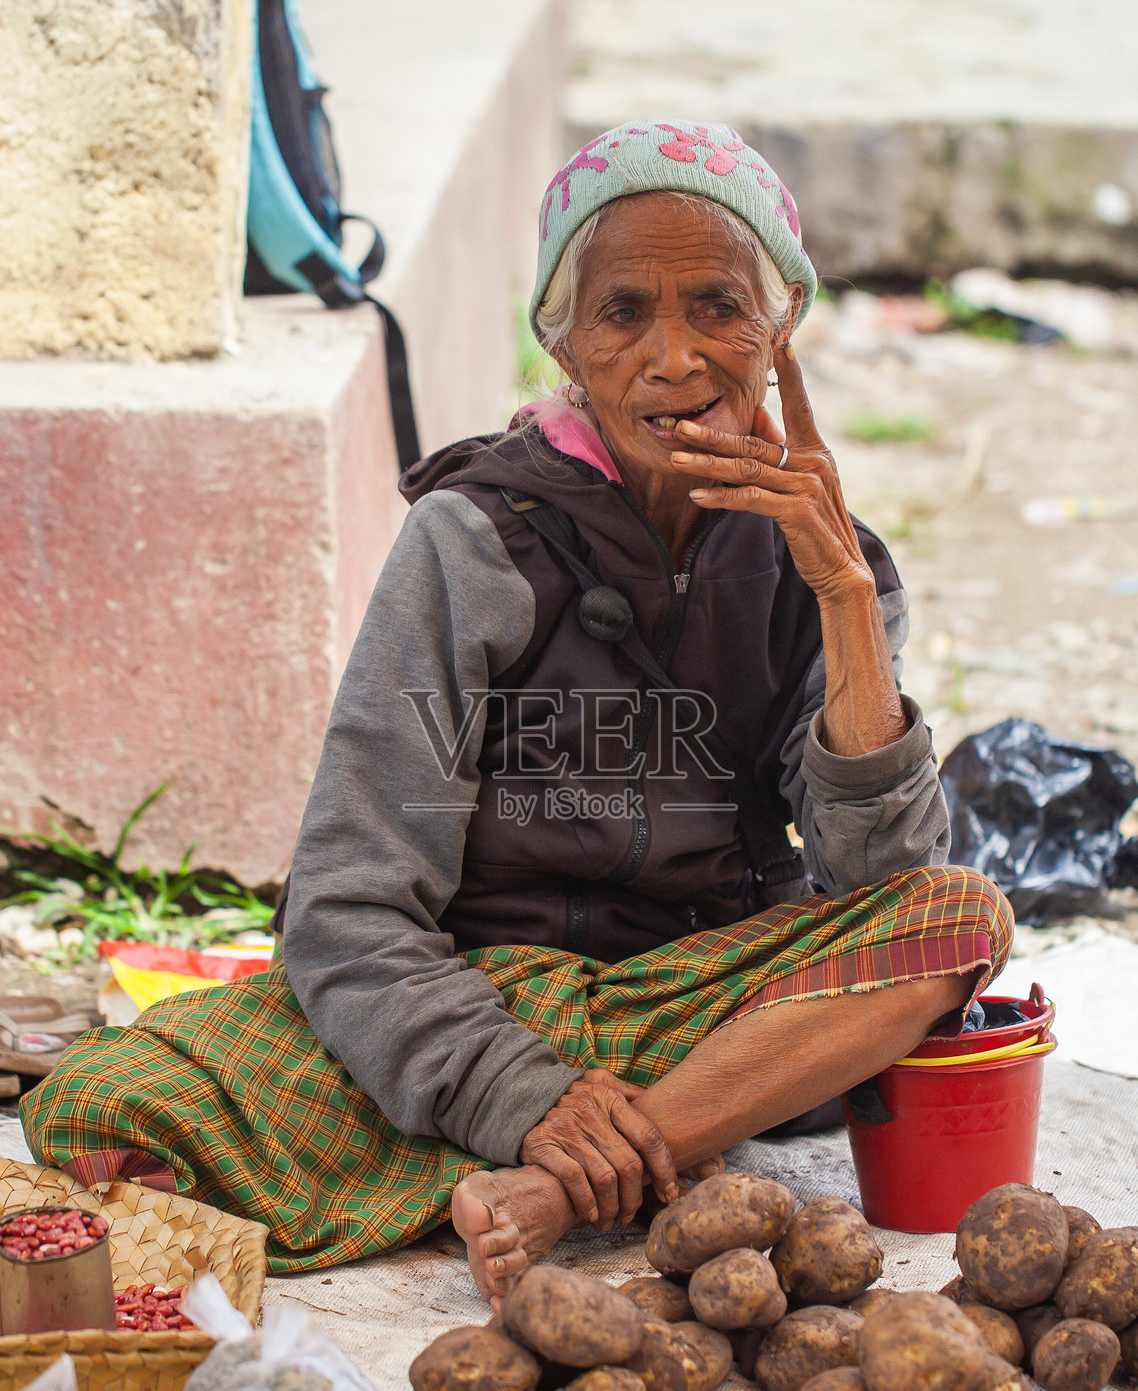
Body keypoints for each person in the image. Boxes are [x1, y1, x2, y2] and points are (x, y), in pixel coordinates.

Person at [22, 122, 1011, 1301]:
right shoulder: (473, 538)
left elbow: (883, 889)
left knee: (956, 915)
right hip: (478, 992)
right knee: (94, 1104)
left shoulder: (828, 563)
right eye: (623, 312)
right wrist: (519, 1089)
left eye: (717, 308)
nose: (674, 356)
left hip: (687, 1003)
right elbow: (348, 909)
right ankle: (635, 1146)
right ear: (566, 344)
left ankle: (553, 1186)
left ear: (778, 332)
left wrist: (843, 601)